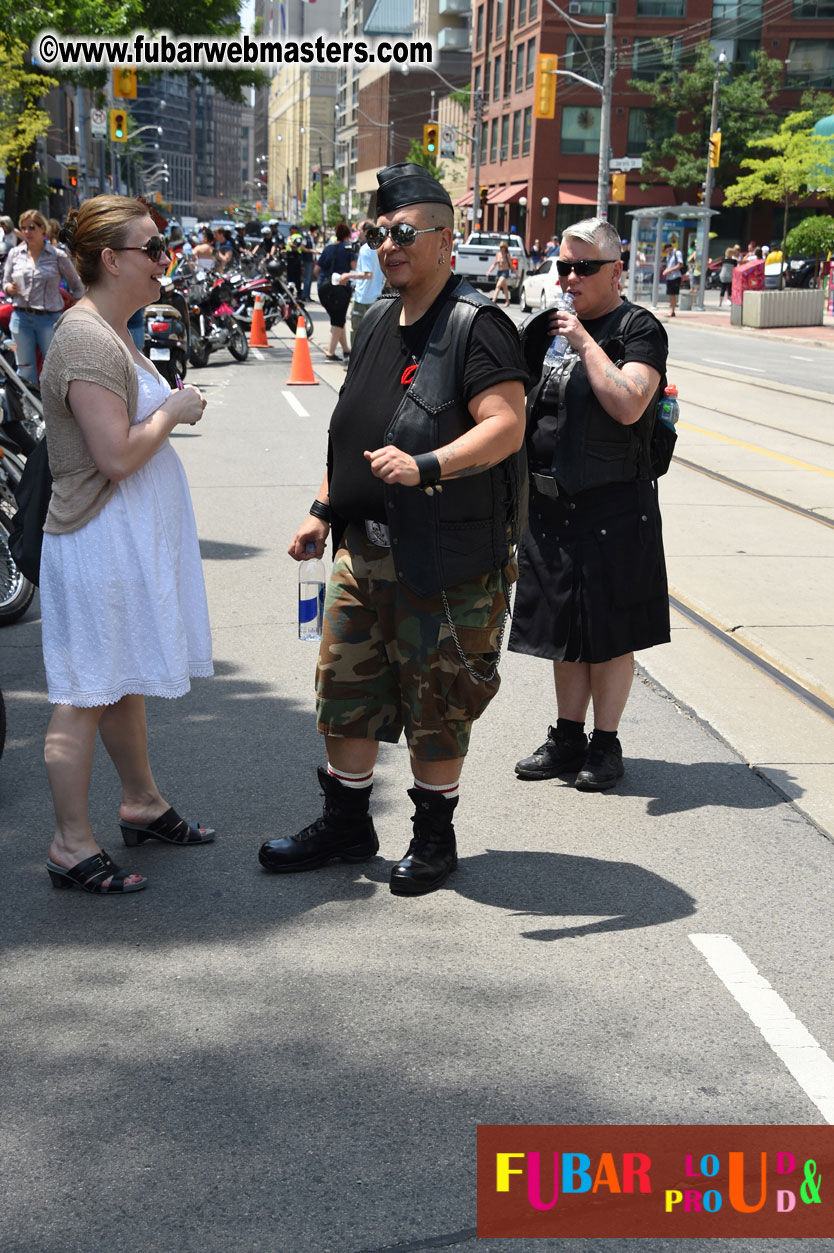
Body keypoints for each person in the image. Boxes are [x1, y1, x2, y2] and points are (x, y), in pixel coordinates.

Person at [258, 162, 528, 896]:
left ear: (446, 239)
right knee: (343, 690)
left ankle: (434, 840)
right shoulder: (378, 320)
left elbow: (505, 426)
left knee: (437, 703)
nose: (388, 245)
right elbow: (354, 433)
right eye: (381, 233)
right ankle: (347, 823)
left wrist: (429, 465)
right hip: (360, 552)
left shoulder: (479, 327)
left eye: (404, 232)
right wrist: (322, 509)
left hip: (444, 556)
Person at [39, 195, 214, 895]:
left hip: (120, 539)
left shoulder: (114, 330)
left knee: (122, 679)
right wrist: (173, 409)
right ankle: (68, 843)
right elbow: (114, 456)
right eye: (153, 249)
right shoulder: (84, 338)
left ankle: (141, 802)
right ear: (112, 260)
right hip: (95, 540)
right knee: (85, 690)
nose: (165, 260)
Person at [511, 217, 669, 791]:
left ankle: (606, 745)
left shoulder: (638, 329)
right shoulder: (545, 330)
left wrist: (584, 340)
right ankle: (567, 737)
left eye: (584, 267)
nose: (570, 277)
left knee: (609, 629)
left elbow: (629, 404)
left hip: (614, 507)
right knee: (561, 626)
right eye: (563, 266)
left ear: (616, 270)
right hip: (551, 506)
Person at [2, 209, 84, 384]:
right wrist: (10, 288)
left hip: (49, 319)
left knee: (54, 367)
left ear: (42, 229)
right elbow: (5, 281)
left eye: (31, 227)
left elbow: (77, 286)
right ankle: (28, 409)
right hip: (20, 318)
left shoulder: (57, 256)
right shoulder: (15, 254)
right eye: (23, 228)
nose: (26, 232)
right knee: (24, 367)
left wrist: (75, 310)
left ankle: (53, 407)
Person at [337, 219, 384, 349]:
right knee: (373, 332)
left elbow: (367, 274)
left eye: (359, 230)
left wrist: (348, 275)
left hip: (363, 297)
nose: (357, 232)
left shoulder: (365, 249)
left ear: (366, 232)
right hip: (376, 296)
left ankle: (355, 363)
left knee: (356, 331)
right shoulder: (379, 247)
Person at [315, 221, 355, 361]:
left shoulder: (328, 248)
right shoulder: (348, 249)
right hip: (340, 289)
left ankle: (346, 350)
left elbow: (316, 270)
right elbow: (354, 266)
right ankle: (330, 353)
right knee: (337, 322)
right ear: (348, 235)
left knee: (338, 318)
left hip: (323, 288)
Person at [661, 240, 683, 317]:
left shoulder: (677, 253)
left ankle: (672, 311)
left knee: (673, 294)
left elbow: (680, 264)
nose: (666, 251)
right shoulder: (669, 255)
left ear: (669, 248)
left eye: (666, 249)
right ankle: (671, 310)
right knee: (670, 294)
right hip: (669, 277)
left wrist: (669, 270)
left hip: (675, 277)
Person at [487, 240, 512, 307]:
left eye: (501, 247)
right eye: (499, 247)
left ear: (504, 247)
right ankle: (507, 301)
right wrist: (489, 271)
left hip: (505, 272)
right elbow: (494, 264)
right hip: (499, 272)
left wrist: (516, 274)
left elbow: (511, 265)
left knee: (498, 285)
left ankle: (493, 301)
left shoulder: (507, 255)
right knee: (504, 287)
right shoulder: (498, 255)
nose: (500, 248)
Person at [300, 224, 317, 300]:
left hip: (312, 260)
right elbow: (302, 248)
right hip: (307, 260)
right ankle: (305, 295)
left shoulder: (312, 237)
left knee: (310, 278)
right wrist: (311, 251)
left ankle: (308, 295)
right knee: (307, 278)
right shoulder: (306, 237)